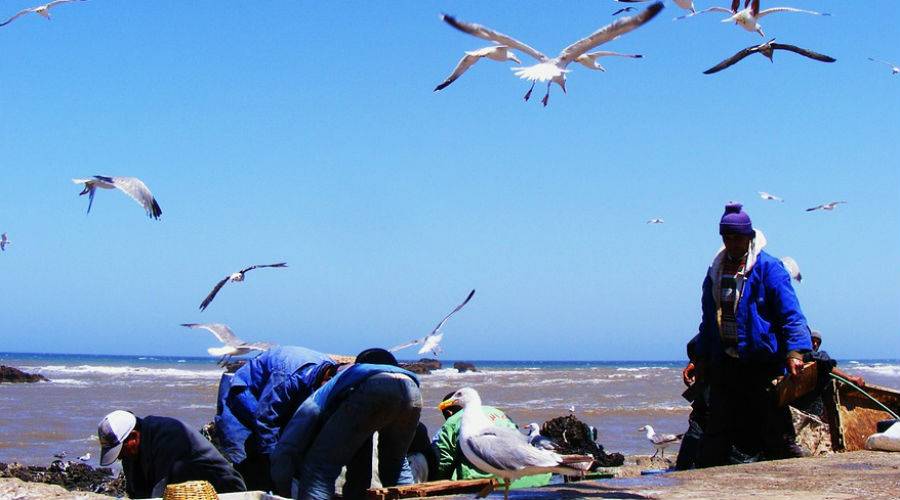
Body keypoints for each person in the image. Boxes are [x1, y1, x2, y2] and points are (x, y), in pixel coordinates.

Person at [693, 203, 812, 467]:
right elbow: (708, 321)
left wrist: (795, 352)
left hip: (761, 363)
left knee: (776, 433)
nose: (732, 243)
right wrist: (700, 356)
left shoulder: (769, 268)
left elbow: (791, 313)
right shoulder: (715, 271)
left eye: (737, 237)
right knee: (716, 432)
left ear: (749, 236)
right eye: (727, 237)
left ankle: (797, 478)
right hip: (726, 361)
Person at [270, 348, 423, 499]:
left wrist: (282, 488)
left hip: (374, 387)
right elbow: (360, 463)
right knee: (395, 464)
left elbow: (290, 443)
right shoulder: (392, 372)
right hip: (413, 390)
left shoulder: (336, 384)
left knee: (319, 469)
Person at [215, 346, 335, 491]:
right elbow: (265, 419)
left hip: (272, 398)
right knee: (247, 459)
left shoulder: (331, 372)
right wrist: (274, 460)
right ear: (326, 378)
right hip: (243, 393)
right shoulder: (286, 377)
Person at [98, 410, 246, 498]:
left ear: (134, 436)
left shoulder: (169, 435)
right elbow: (135, 492)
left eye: (120, 451)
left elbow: (160, 490)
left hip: (222, 491)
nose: (119, 457)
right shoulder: (130, 451)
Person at [431, 389, 551, 488]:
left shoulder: (453, 422)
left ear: (450, 412)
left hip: (488, 485)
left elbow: (443, 462)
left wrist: (437, 484)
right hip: (533, 479)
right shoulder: (498, 413)